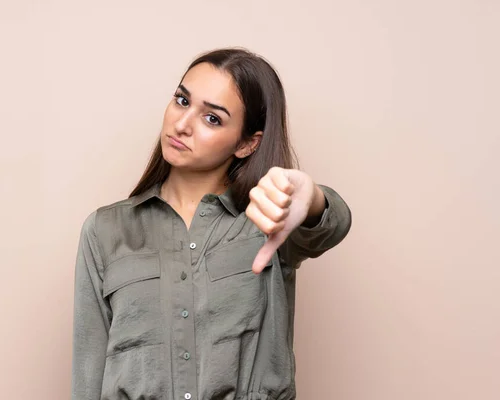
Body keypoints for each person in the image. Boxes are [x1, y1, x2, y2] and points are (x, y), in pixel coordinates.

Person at [71, 48, 352, 400]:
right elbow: (88, 376)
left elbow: (331, 225)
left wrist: (309, 196)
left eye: (212, 118)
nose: (183, 124)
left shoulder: (268, 221)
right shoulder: (105, 231)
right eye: (182, 100)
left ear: (249, 144)